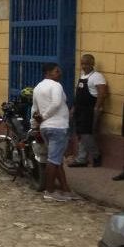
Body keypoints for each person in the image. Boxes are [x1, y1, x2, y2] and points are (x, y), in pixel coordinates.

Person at [32, 62, 78, 201]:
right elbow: (57, 103)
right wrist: (43, 117)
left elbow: (34, 109)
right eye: (57, 71)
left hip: (46, 128)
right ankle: (50, 191)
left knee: (56, 160)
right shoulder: (56, 85)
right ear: (48, 73)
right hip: (57, 127)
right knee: (53, 160)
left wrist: (35, 124)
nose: (60, 73)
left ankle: (65, 190)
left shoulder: (38, 87)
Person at [70, 54, 108, 167]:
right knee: (80, 134)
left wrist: (97, 108)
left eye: (87, 64)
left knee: (87, 134)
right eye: (82, 63)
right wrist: (74, 108)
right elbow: (78, 94)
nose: (84, 66)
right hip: (79, 109)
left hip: (90, 110)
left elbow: (102, 93)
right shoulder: (82, 76)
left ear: (92, 64)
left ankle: (96, 155)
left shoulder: (97, 76)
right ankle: (81, 159)